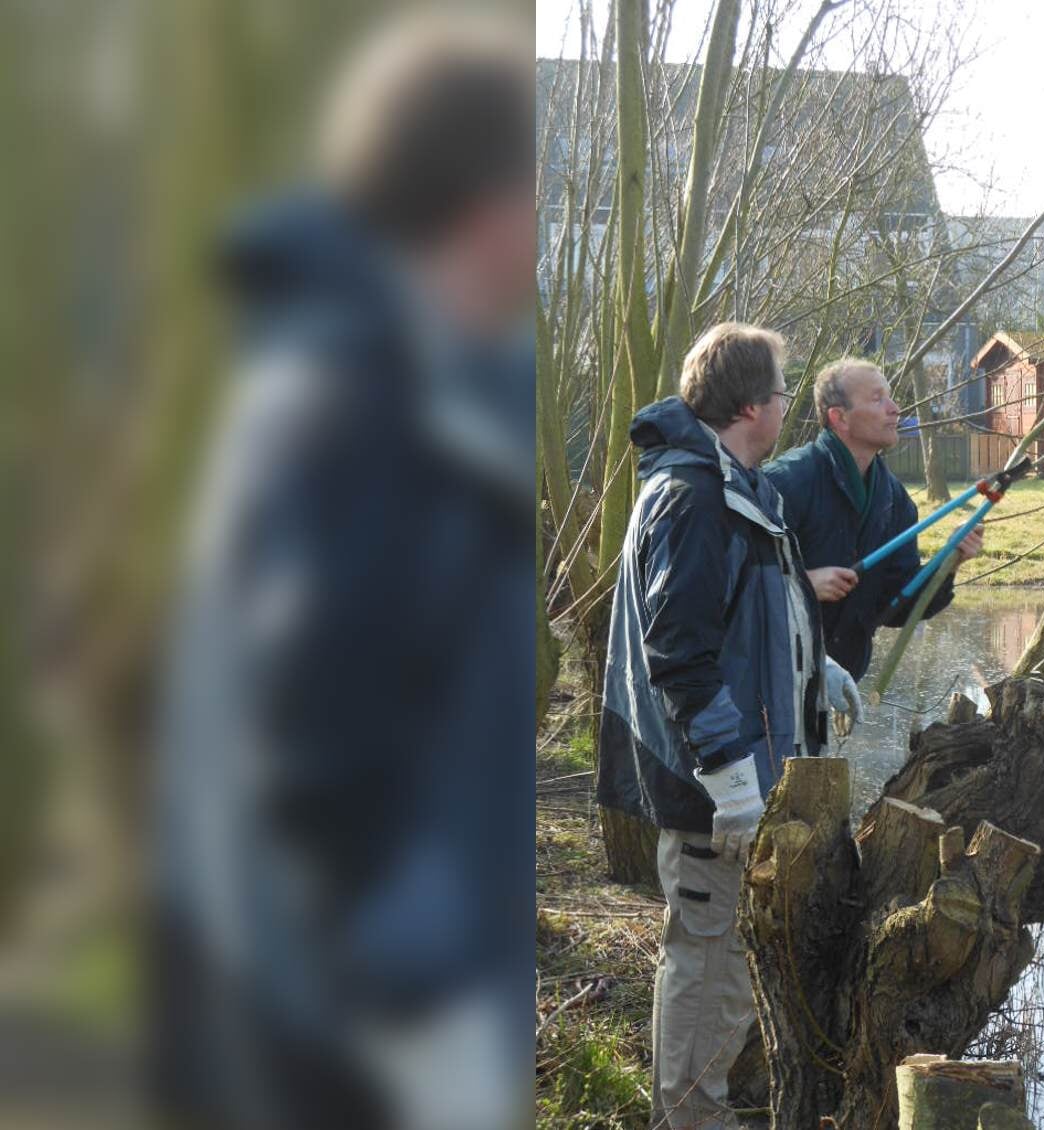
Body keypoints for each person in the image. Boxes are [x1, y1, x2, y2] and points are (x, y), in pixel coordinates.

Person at [154, 12, 535, 1129]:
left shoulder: (397, 384)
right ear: (487, 204)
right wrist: (430, 1016)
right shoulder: (354, 409)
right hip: (359, 1035)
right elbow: (310, 742)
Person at [597, 323, 860, 1130]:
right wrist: (734, 783)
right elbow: (679, 653)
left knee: (730, 966)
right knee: (707, 964)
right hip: (711, 784)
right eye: (783, 391)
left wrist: (824, 669)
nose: (789, 405)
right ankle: (689, 1121)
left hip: (744, 771)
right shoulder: (694, 497)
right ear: (751, 404)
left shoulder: (744, 489)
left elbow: (765, 611)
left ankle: (703, 1111)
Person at [764, 359, 983, 682]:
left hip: (838, 686)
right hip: (771, 682)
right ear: (839, 418)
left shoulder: (895, 501)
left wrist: (948, 562)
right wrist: (803, 584)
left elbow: (896, 607)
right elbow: (734, 586)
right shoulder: (784, 483)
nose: (894, 409)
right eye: (877, 399)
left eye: (890, 397)